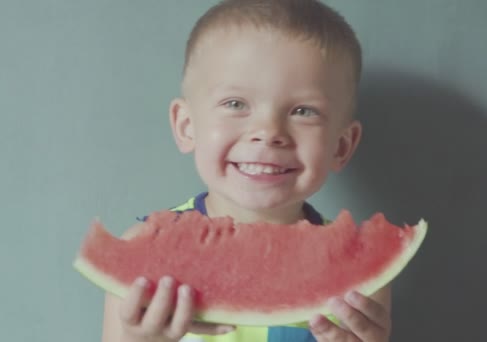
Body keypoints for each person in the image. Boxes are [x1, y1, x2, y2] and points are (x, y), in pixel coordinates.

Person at [101, 1, 392, 341]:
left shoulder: (359, 276)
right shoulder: (141, 253)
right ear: (186, 125)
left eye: (303, 111)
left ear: (341, 146)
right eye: (235, 104)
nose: (268, 131)